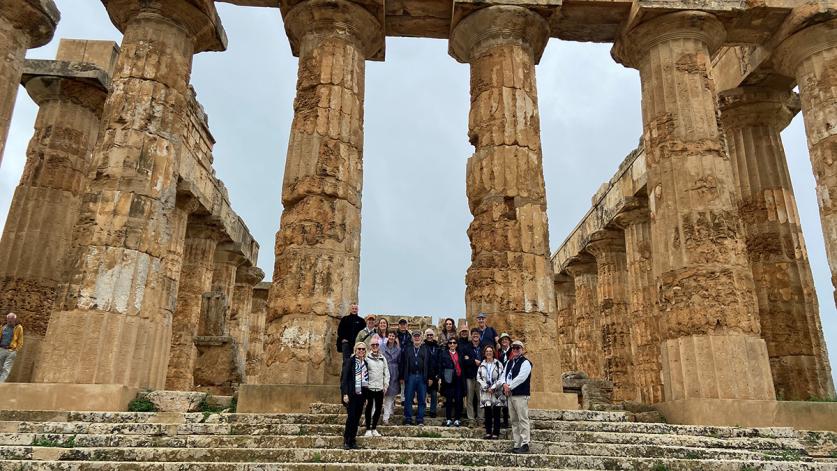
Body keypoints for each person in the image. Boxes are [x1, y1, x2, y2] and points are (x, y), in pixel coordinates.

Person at [503, 340, 533, 454]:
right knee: (514, 420)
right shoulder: (509, 362)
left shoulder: (526, 363)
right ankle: (517, 443)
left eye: (518, 348)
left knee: (523, 419)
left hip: (520, 394)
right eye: (514, 348)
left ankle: (525, 443)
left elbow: (521, 377)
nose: (515, 349)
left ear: (522, 349)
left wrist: (509, 386)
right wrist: (504, 384)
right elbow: (503, 375)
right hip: (510, 395)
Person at [399, 330, 434, 425]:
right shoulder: (407, 349)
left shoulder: (426, 349)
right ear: (412, 338)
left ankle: (420, 419)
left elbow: (430, 364)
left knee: (422, 398)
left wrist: (430, 377)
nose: (417, 338)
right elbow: (402, 363)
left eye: (418, 336)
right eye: (415, 336)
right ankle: (408, 418)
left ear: (421, 338)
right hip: (410, 375)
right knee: (408, 397)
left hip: (422, 376)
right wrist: (401, 376)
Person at [340, 342, 369, 449]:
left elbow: (366, 381)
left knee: (357, 419)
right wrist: (345, 394)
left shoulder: (365, 363)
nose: (361, 351)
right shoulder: (349, 362)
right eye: (359, 349)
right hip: (351, 394)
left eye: (363, 349)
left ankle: (353, 440)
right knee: (351, 417)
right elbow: (344, 379)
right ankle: (346, 440)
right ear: (355, 350)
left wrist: (366, 397)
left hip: (361, 395)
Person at [363, 335, 389, 437]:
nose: (375, 346)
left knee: (378, 408)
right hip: (369, 387)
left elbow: (386, 372)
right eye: (373, 345)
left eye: (376, 345)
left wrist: (386, 385)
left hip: (379, 387)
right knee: (369, 408)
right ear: (370, 346)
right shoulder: (366, 358)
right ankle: (368, 429)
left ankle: (374, 428)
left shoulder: (383, 358)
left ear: (379, 346)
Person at [477, 345, 505, 439]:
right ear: (484, 353)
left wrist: (493, 387)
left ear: (493, 353)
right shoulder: (482, 365)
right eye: (487, 351)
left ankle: (496, 432)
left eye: (490, 351)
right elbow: (479, 378)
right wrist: (486, 387)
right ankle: (488, 432)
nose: (489, 353)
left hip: (496, 391)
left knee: (497, 413)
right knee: (487, 412)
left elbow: (502, 377)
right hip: (486, 392)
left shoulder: (498, 364)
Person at [438, 337, 464, 427]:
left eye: (454, 342)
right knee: (448, 400)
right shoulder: (444, 354)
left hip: (458, 379)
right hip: (448, 379)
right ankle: (448, 418)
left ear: (456, 344)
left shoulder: (460, 354)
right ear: (448, 345)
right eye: (450, 343)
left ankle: (457, 419)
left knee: (458, 400)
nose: (452, 344)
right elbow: (440, 366)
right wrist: (442, 377)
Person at [462, 328, 483, 424]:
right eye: (473, 334)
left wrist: (470, 359)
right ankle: (471, 419)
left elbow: (487, 359)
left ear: (479, 335)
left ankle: (480, 418)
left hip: (481, 376)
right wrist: (474, 361)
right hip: (470, 376)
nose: (475, 336)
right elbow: (464, 361)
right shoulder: (466, 347)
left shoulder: (483, 347)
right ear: (471, 335)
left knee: (480, 398)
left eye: (477, 334)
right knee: (469, 398)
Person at [381, 330, 401, 425]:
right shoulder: (381, 347)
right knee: (378, 396)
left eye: (393, 336)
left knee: (390, 396)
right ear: (387, 336)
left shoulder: (398, 349)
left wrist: (399, 375)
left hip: (394, 372)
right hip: (382, 371)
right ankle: (372, 416)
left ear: (395, 337)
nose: (391, 337)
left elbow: (400, 362)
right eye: (390, 335)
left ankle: (386, 417)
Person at [423, 328, 440, 418]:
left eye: (431, 335)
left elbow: (439, 361)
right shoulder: (422, 346)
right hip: (425, 373)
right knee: (423, 394)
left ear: (433, 336)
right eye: (428, 335)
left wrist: (437, 374)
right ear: (425, 336)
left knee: (434, 394)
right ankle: (423, 410)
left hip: (434, 374)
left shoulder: (437, 347)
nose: (429, 336)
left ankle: (433, 411)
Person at [496, 332, 512, 428]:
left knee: (509, 400)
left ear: (509, 341)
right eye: (503, 340)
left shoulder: (513, 351)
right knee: (502, 400)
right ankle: (504, 421)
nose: (504, 341)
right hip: (501, 378)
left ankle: (510, 420)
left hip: (510, 378)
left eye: (506, 339)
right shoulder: (498, 352)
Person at [0, 313, 22, 383]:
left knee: (6, 369)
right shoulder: (3, 327)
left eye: (11, 320)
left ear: (15, 320)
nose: (9, 321)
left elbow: (20, 340)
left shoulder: (19, 327)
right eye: (8, 319)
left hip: (11, 351)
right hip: (1, 349)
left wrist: (16, 350)